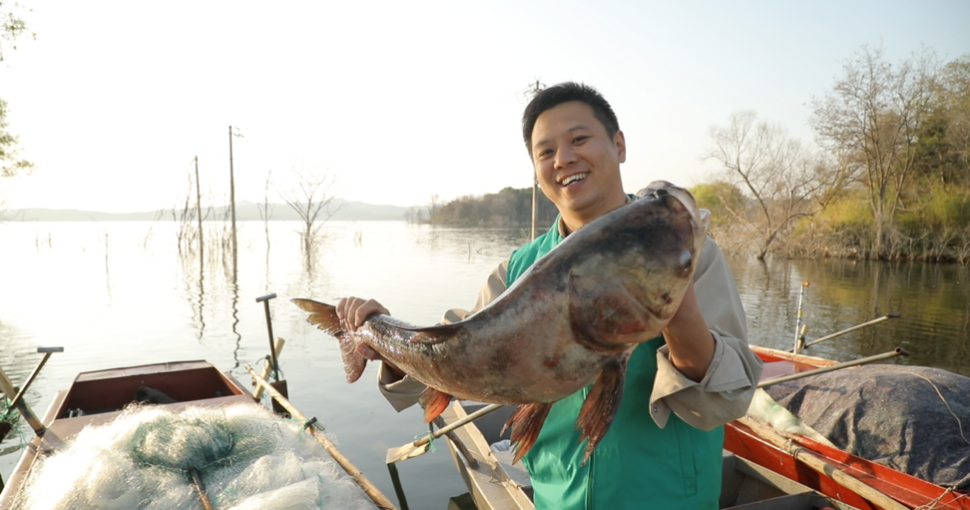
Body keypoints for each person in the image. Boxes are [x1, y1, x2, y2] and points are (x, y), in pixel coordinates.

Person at [337, 82, 764, 509]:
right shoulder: (515, 270)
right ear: (537, 173)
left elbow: (725, 402)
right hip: (557, 499)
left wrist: (677, 303)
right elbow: (452, 352)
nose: (564, 159)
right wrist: (381, 335)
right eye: (546, 152)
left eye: (579, 139)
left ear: (619, 145)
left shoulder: (687, 253)